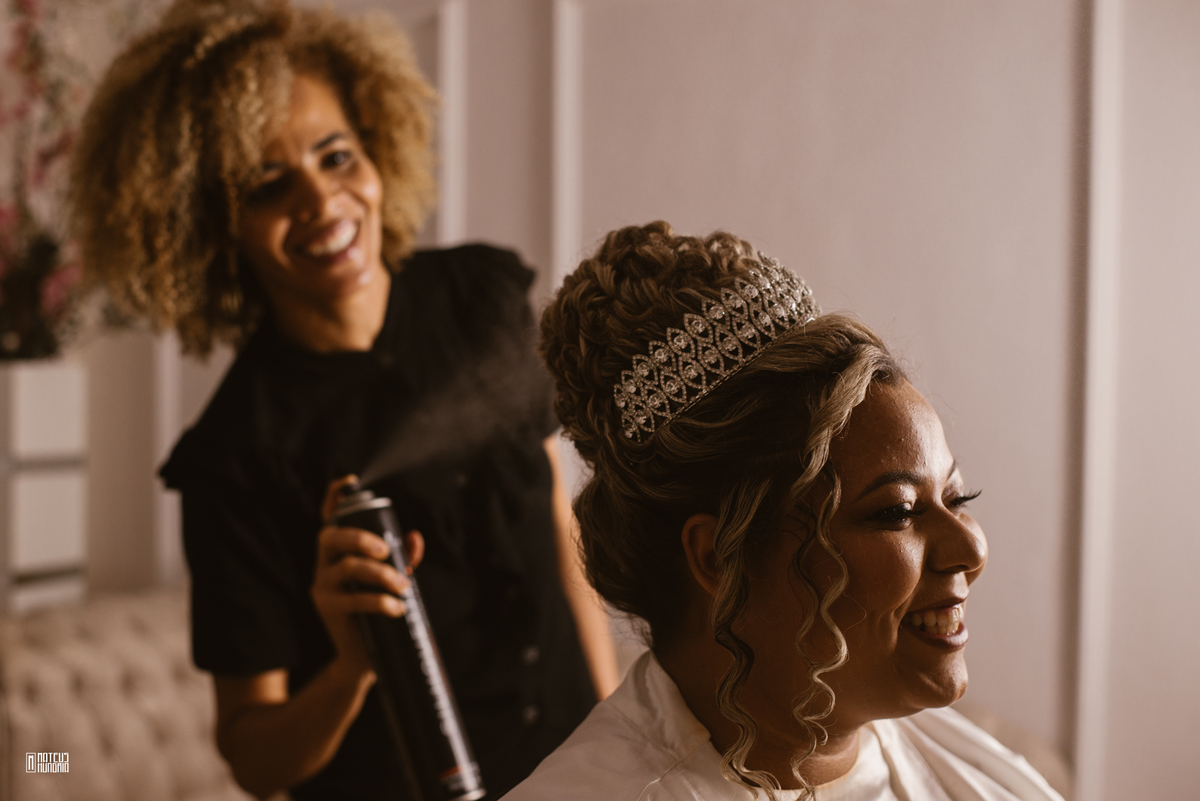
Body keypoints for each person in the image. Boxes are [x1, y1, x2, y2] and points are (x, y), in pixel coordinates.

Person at [68, 1, 617, 799]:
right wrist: (353, 663)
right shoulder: (236, 452)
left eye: (335, 156)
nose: (322, 202)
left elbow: (560, 538)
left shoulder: (483, 300)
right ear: (213, 225)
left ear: (375, 146)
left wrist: (615, 738)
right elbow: (254, 759)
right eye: (268, 184)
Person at [504, 222, 1064, 800]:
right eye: (897, 512)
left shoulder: (984, 778)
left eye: (956, 499)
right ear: (720, 557)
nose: (971, 549)